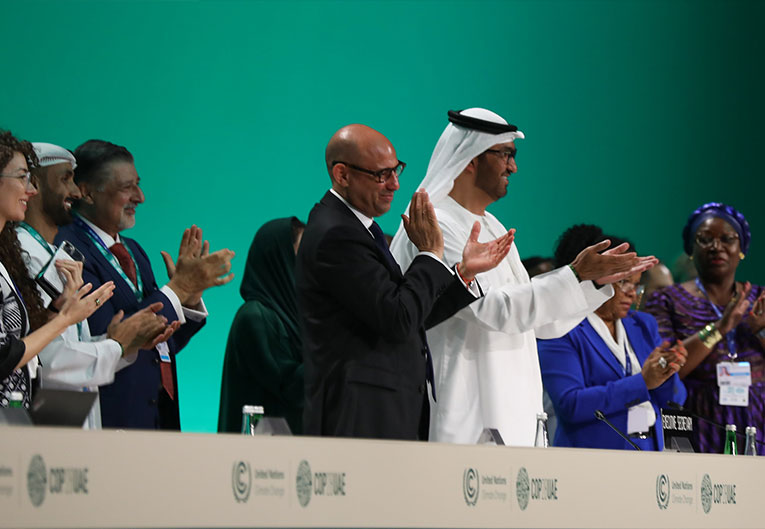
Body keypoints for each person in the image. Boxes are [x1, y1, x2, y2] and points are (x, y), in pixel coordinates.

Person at [389, 109, 656, 446]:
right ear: (471, 158)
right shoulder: (437, 224)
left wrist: (592, 283)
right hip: (465, 405)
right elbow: (494, 311)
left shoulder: (492, 225)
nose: (513, 167)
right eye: (506, 155)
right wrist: (574, 275)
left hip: (513, 409)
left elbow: (537, 323)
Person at [296, 123, 514, 441]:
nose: (395, 184)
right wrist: (429, 254)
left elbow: (410, 315)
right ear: (342, 174)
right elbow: (398, 319)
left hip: (383, 409)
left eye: (396, 170)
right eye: (381, 175)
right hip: (359, 415)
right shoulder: (336, 234)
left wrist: (463, 274)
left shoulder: (359, 228)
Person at [56, 139, 235, 430]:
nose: (140, 197)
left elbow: (157, 342)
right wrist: (177, 289)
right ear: (87, 192)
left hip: (157, 415)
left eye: (137, 184)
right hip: (111, 416)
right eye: (127, 187)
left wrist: (188, 298)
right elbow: (109, 335)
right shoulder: (69, 248)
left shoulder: (134, 251)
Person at [17, 142, 176, 428]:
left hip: (73, 413)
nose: (75, 192)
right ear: (34, 185)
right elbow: (48, 358)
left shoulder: (51, 253)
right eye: (66, 180)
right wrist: (116, 344)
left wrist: (120, 344)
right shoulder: (23, 254)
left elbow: (66, 348)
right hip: (46, 417)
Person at [537, 225, 687, 450]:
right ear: (598, 280)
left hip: (650, 454)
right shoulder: (561, 328)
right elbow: (571, 405)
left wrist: (668, 370)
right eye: (623, 282)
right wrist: (642, 382)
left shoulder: (643, 325)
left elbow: (675, 400)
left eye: (636, 285)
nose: (631, 293)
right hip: (593, 458)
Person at [0, 130, 115, 408]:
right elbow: (5, 355)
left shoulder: (4, 258)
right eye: (22, 177)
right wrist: (65, 319)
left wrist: (57, 312)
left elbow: (19, 340)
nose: (31, 189)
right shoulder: (22, 251)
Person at [645, 203, 765, 454]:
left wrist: (760, 331)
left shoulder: (760, 299)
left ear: (741, 248)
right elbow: (664, 370)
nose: (716, 246)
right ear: (691, 249)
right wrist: (720, 328)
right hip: (694, 417)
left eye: (727, 239)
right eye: (705, 239)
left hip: (756, 417)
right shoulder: (668, 300)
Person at [218, 217, 305, 434]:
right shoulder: (254, 317)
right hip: (261, 462)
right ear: (279, 258)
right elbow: (293, 388)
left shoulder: (297, 319)